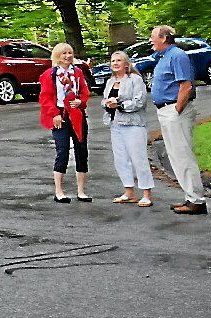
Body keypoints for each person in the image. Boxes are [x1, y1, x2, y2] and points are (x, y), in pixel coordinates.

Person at [150, 25, 207, 215]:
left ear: (164, 38)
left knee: (182, 154)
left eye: (153, 37)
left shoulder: (177, 55)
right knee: (176, 155)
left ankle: (196, 200)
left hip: (175, 110)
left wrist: (177, 110)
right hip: (166, 110)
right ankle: (190, 197)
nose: (150, 41)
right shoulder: (165, 56)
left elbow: (186, 85)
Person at [39, 42, 91, 203]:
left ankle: (81, 191)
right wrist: (54, 114)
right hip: (60, 116)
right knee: (62, 151)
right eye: (64, 53)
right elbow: (45, 97)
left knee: (81, 151)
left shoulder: (78, 72)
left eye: (70, 52)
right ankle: (59, 191)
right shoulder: (50, 74)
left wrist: (81, 102)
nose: (68, 56)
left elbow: (84, 92)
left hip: (77, 115)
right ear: (57, 56)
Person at [101, 51, 153, 207]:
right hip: (115, 123)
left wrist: (120, 104)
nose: (115, 63)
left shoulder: (135, 80)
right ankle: (129, 191)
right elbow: (104, 99)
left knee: (138, 158)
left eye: (119, 60)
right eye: (113, 61)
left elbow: (140, 101)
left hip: (133, 124)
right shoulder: (110, 81)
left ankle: (146, 193)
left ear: (126, 64)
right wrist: (107, 103)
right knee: (121, 159)